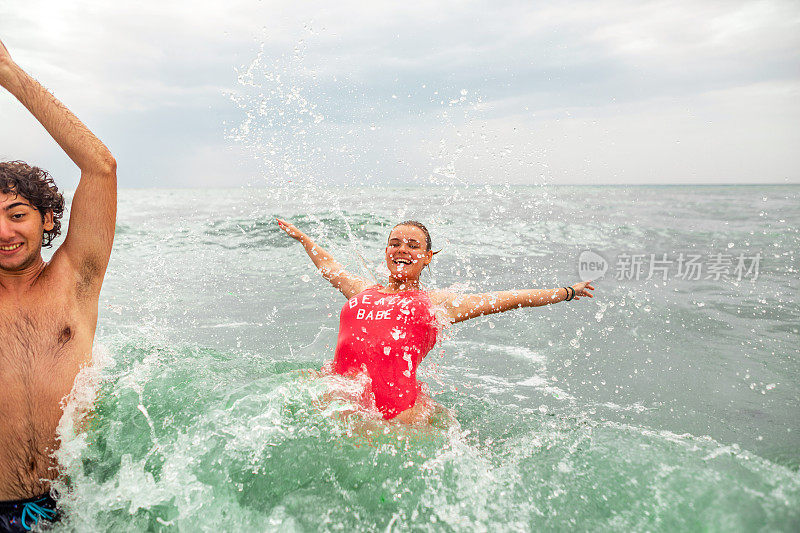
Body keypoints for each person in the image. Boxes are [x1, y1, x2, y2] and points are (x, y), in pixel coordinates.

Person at [276, 218, 594, 424]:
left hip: (397, 419)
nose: (402, 250)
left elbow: (507, 299)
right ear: (386, 250)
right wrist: (304, 239)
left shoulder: (437, 304)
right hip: (340, 402)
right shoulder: (361, 291)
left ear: (428, 257)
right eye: (395, 243)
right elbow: (329, 265)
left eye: (413, 246)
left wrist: (566, 292)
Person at [0, 39, 116, 531]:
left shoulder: (76, 279)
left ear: (48, 220)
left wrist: (10, 75)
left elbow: (100, 166)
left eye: (17, 215)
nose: (4, 233)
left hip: (73, 508)